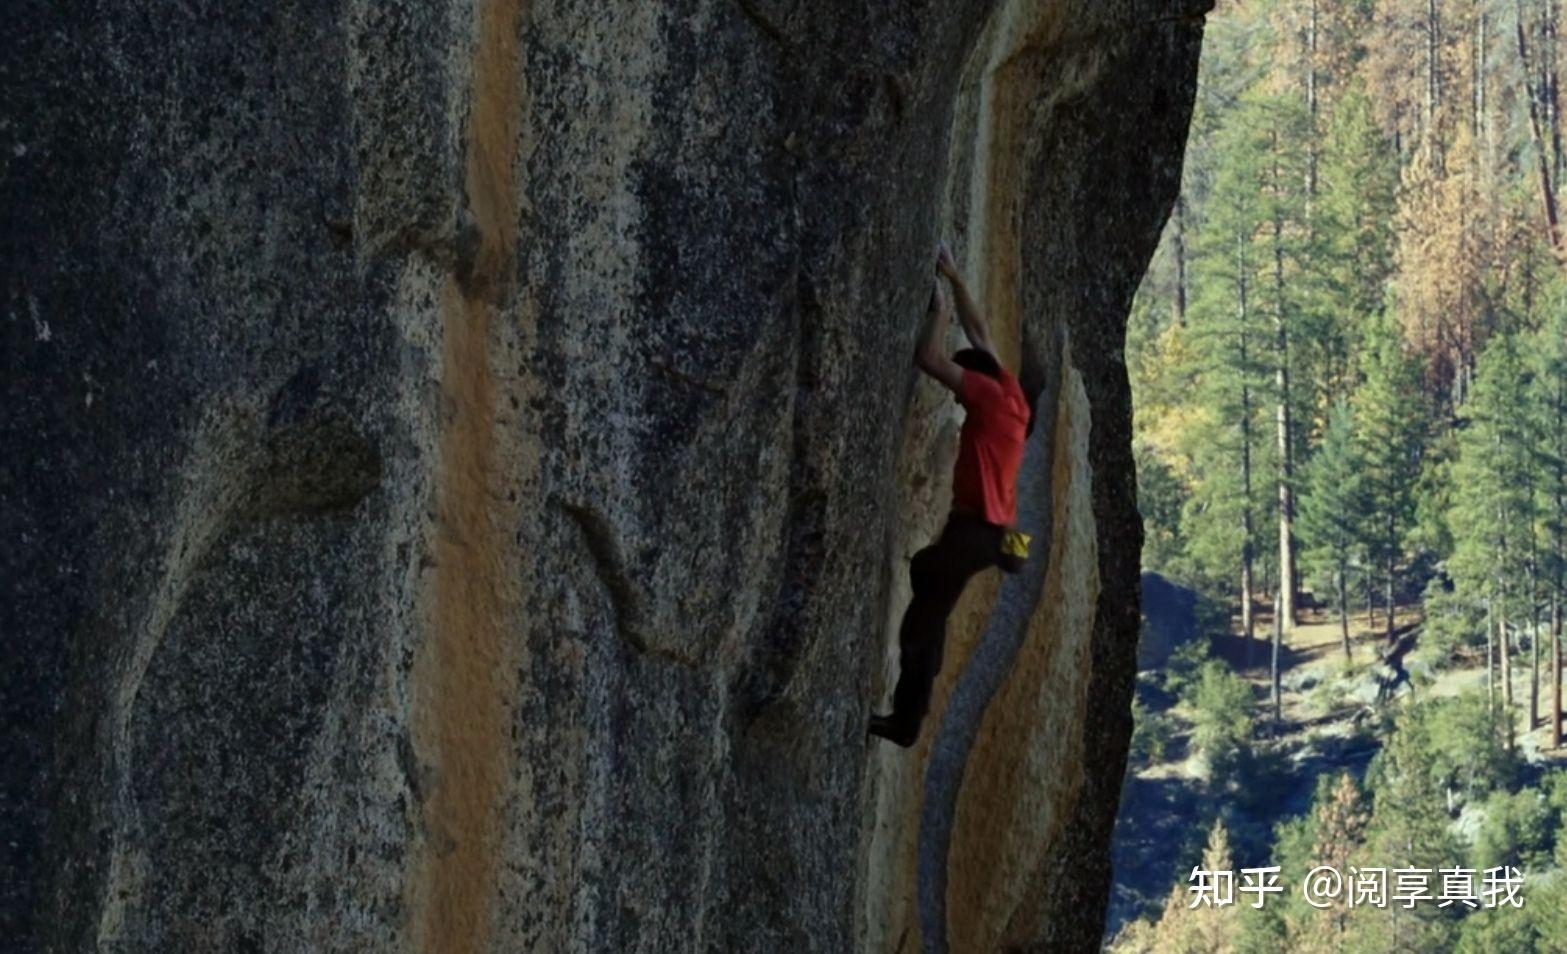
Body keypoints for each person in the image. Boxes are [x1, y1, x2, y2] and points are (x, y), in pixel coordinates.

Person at [869, 245, 1031, 748]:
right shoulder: (1011, 393)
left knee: (921, 619)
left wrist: (938, 313)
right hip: (993, 537)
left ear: (974, 383)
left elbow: (929, 358)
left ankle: (905, 723)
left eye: (962, 393)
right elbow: (980, 332)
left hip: (977, 532)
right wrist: (956, 277)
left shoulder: (985, 393)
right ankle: (917, 687)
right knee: (927, 581)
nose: (960, 399)